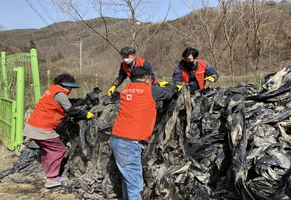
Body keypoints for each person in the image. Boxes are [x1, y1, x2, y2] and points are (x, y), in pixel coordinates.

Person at [109, 67, 181, 200]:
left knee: (128, 179)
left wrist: (156, 86)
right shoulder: (150, 89)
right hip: (129, 143)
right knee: (135, 184)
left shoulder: (125, 90)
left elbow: (139, 94)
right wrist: (174, 88)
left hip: (117, 139)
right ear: (147, 78)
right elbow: (167, 94)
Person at [22, 73, 95, 188]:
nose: (71, 90)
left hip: (33, 126)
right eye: (70, 87)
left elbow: (64, 102)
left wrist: (81, 101)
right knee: (59, 150)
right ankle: (52, 179)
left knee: (47, 150)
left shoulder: (52, 90)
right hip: (43, 129)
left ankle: (47, 173)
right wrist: (86, 114)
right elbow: (71, 112)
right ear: (66, 85)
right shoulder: (60, 94)